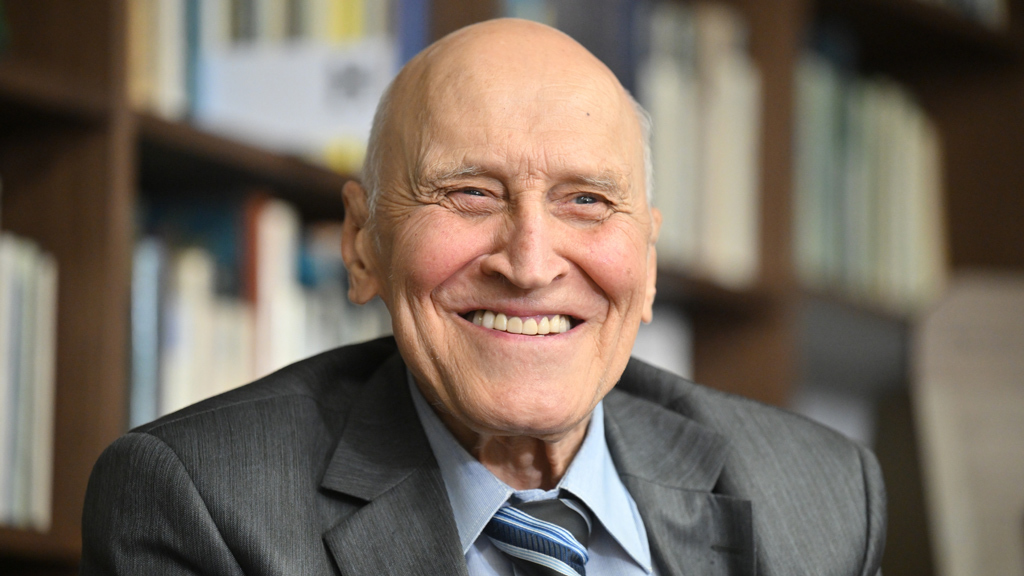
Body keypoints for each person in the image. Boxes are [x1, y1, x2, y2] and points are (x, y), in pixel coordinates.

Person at [81, 18, 885, 576]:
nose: (529, 264)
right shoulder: (202, 504)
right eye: (469, 193)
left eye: (586, 201)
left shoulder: (821, 499)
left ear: (645, 262)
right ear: (363, 243)